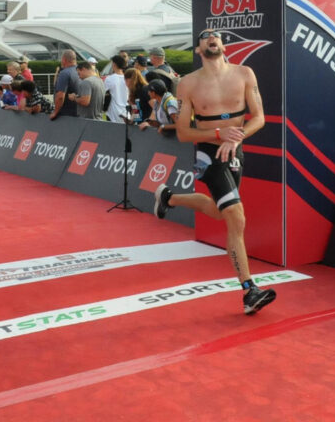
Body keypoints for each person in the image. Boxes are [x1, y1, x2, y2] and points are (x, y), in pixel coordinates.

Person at [150, 29, 274, 315]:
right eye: (205, 36)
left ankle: (170, 198)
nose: (211, 38)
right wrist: (219, 132)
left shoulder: (245, 74)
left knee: (221, 212)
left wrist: (236, 137)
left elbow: (259, 118)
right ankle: (249, 290)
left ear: (223, 45)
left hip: (234, 149)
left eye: (215, 35)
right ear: (199, 49)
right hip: (207, 151)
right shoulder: (187, 84)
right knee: (235, 215)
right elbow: (182, 132)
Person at [50, 50, 80, 119]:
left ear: (64, 60)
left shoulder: (64, 73)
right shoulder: (80, 71)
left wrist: (55, 112)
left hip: (66, 114)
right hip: (79, 112)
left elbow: (60, 96)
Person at [104, 55, 129, 123]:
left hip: (113, 112)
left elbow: (103, 92)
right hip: (126, 111)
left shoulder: (110, 79)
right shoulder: (128, 78)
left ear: (114, 64)